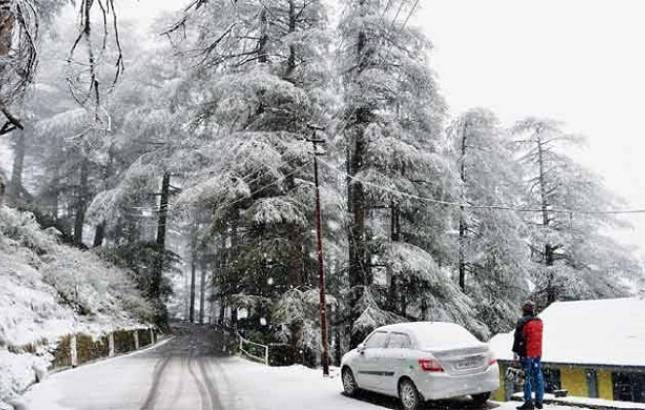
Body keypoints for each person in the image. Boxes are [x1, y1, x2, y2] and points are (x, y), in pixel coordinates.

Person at [512, 301, 544, 410]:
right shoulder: (539, 322)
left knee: (526, 377)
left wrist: (515, 353)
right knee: (538, 376)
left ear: (524, 310)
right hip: (537, 353)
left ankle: (528, 402)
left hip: (526, 353)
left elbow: (518, 339)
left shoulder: (522, 322)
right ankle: (539, 401)